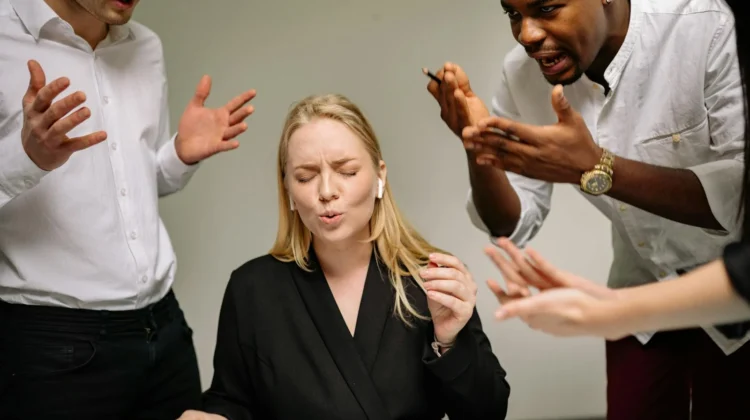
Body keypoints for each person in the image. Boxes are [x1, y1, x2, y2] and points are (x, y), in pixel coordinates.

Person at [425, 0, 747, 419]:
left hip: (736, 290)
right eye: (513, 14)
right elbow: (511, 223)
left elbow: (741, 193)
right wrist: (477, 146)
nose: (527, 34)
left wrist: (598, 168)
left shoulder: (706, 26)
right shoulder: (522, 76)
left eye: (547, 7)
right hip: (639, 296)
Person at [177, 93, 511, 420]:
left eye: (347, 172)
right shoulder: (252, 288)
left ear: (380, 176)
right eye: (305, 177)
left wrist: (450, 341)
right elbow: (232, 400)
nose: (325, 192)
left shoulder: (434, 279)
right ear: (289, 191)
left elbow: (488, 412)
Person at [0, 0, 256, 419]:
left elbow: (129, 190)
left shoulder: (145, 48)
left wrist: (178, 156)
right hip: (51, 347)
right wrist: (26, 157)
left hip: (164, 328)